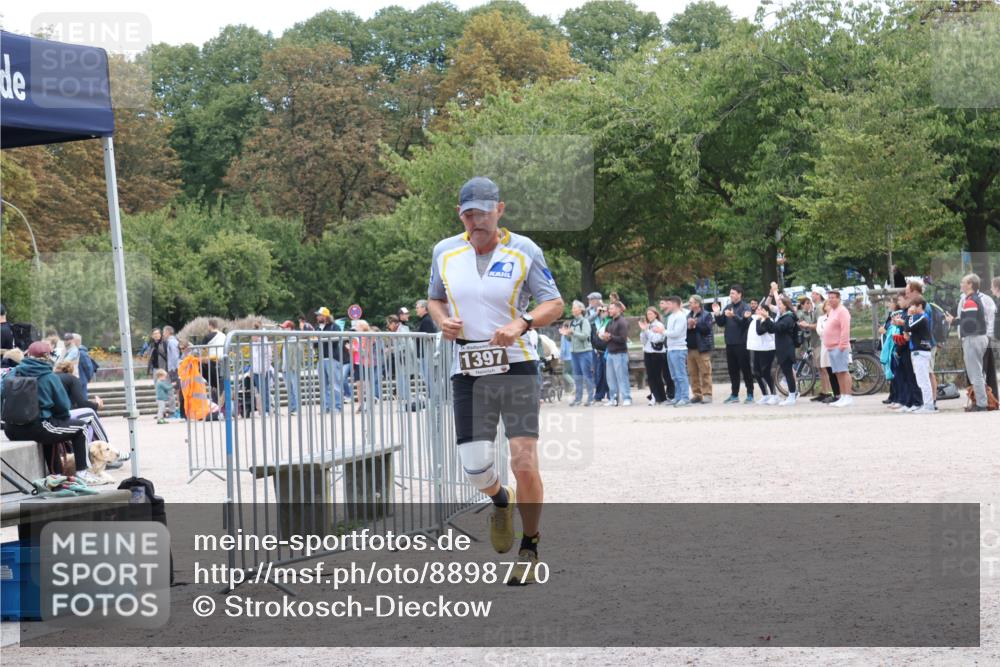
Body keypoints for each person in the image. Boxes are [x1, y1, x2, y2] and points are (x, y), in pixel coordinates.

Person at [427, 175, 564, 585]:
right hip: (468, 368)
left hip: (516, 365)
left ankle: (531, 544)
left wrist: (521, 324)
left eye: (483, 213)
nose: (476, 222)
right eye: (469, 215)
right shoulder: (444, 252)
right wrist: (442, 321)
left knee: (523, 460)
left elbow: (553, 303)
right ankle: (499, 501)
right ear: (460, 215)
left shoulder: (524, 250)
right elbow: (434, 297)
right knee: (475, 468)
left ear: (499, 210)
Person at [2, 341, 98, 483]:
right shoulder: (49, 376)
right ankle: (83, 472)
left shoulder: (13, 373)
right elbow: (63, 407)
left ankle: (56, 475)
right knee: (81, 428)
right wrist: (61, 418)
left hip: (11, 430)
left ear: (29, 354)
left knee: (51, 430)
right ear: (47, 356)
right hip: (36, 428)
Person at [944, 273, 991, 411]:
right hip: (979, 338)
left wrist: (954, 321)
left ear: (970, 284)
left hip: (973, 339)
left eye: (963, 282)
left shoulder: (970, 300)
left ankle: (981, 404)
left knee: (975, 373)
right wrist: (955, 320)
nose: (960, 285)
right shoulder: (974, 299)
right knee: (978, 373)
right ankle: (982, 401)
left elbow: (969, 324)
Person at [713, 285, 754, 404]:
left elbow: (744, 323)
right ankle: (734, 394)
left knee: (746, 369)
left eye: (733, 293)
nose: (731, 295)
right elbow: (721, 323)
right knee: (732, 370)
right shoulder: (728, 306)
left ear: (740, 294)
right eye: (730, 293)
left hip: (741, 343)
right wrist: (717, 313)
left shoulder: (745, 307)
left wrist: (734, 316)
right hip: (729, 343)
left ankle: (750, 394)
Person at [759, 296, 799, 405]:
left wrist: (767, 318)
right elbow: (772, 329)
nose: (778, 306)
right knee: (787, 372)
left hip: (787, 348)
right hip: (782, 348)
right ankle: (791, 395)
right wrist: (765, 319)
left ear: (785, 306)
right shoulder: (782, 317)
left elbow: (777, 328)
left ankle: (792, 396)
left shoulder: (789, 317)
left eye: (780, 304)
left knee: (788, 373)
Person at [905, 297, 936, 414]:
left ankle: (928, 405)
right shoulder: (919, 319)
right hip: (918, 352)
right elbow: (908, 328)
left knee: (923, 380)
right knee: (921, 379)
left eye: (913, 305)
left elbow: (907, 327)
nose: (911, 308)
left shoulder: (923, 318)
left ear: (919, 306)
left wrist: (908, 315)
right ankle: (927, 403)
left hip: (921, 352)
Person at [823, 290, 853, 408]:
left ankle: (848, 396)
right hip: (831, 347)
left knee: (843, 371)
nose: (831, 300)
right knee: (837, 373)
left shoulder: (842, 311)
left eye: (833, 297)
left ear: (839, 299)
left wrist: (842, 345)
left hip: (839, 346)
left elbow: (845, 329)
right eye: (829, 297)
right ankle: (843, 395)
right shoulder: (833, 311)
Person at [314, 306, 346, 413]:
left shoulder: (334, 327)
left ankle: (337, 406)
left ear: (325, 316)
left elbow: (335, 342)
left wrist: (321, 339)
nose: (317, 317)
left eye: (319, 315)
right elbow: (315, 344)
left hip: (333, 358)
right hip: (321, 358)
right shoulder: (317, 327)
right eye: (317, 315)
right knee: (323, 385)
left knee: (335, 384)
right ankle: (325, 407)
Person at [602, 301, 632, 406]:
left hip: (620, 354)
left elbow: (623, 339)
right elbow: (607, 335)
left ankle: (627, 397)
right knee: (610, 378)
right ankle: (613, 398)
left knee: (622, 377)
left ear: (618, 309)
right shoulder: (610, 322)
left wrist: (610, 337)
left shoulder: (622, 322)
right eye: (609, 309)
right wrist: (605, 337)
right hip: (610, 353)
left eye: (612, 308)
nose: (609, 311)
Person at [686, 295, 714, 404]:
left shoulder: (706, 315)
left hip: (702, 348)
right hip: (690, 349)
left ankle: (707, 395)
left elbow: (707, 330)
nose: (689, 304)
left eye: (691, 302)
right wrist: (688, 327)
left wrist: (696, 324)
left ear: (697, 304)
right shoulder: (688, 315)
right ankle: (697, 394)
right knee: (693, 373)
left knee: (705, 372)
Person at [664, 296, 691, 407]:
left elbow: (676, 333)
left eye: (668, 304)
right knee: (674, 376)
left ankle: (685, 398)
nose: (667, 306)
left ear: (675, 304)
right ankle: (678, 397)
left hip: (679, 349)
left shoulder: (680, 316)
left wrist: (662, 331)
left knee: (681, 375)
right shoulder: (671, 317)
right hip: (671, 349)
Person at [567, 300, 595, 406]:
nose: (572, 310)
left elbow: (585, 336)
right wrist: (566, 335)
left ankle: (590, 398)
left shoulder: (585, 322)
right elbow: (571, 339)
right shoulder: (572, 322)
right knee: (577, 376)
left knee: (587, 375)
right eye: (572, 308)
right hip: (574, 353)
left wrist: (573, 332)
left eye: (574, 308)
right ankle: (578, 399)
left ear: (581, 309)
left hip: (584, 352)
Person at [638, 307, 668, 405]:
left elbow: (656, 339)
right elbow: (643, 341)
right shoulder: (648, 325)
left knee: (657, 376)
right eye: (648, 314)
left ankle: (661, 397)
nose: (649, 316)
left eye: (651, 314)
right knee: (650, 376)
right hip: (648, 352)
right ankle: (654, 396)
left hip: (657, 353)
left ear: (655, 314)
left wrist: (647, 331)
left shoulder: (659, 325)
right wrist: (643, 331)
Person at [748, 304, 777, 404]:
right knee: (756, 372)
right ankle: (765, 394)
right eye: (758, 309)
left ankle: (774, 394)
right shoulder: (754, 320)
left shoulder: (768, 321)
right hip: (757, 349)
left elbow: (759, 331)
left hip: (768, 349)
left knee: (766, 372)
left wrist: (758, 320)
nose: (758, 311)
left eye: (761, 309)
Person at [201, 318, 227, 409]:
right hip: (223, 362)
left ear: (210, 326)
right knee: (222, 385)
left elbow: (202, 350)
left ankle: (217, 407)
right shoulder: (224, 335)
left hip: (212, 362)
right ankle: (221, 407)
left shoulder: (208, 336)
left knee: (214, 384)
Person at [278, 320, 302, 414]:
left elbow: (298, 353)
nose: (282, 330)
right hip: (285, 368)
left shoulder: (294, 338)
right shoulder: (286, 339)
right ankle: (292, 407)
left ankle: (297, 409)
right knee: (289, 390)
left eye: (284, 328)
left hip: (292, 367)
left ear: (290, 328)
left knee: (295, 389)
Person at [75, 334, 98, 398]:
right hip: (78, 380)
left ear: (77, 341)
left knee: (82, 399)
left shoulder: (81, 353)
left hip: (81, 380)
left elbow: (88, 367)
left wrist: (87, 378)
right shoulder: (74, 352)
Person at [557, 322, 575, 399]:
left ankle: (573, 384)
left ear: (565, 328)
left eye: (563, 327)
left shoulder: (564, 336)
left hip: (567, 357)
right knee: (571, 373)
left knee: (565, 373)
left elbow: (563, 349)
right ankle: (571, 390)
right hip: (574, 356)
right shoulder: (572, 334)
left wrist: (561, 358)